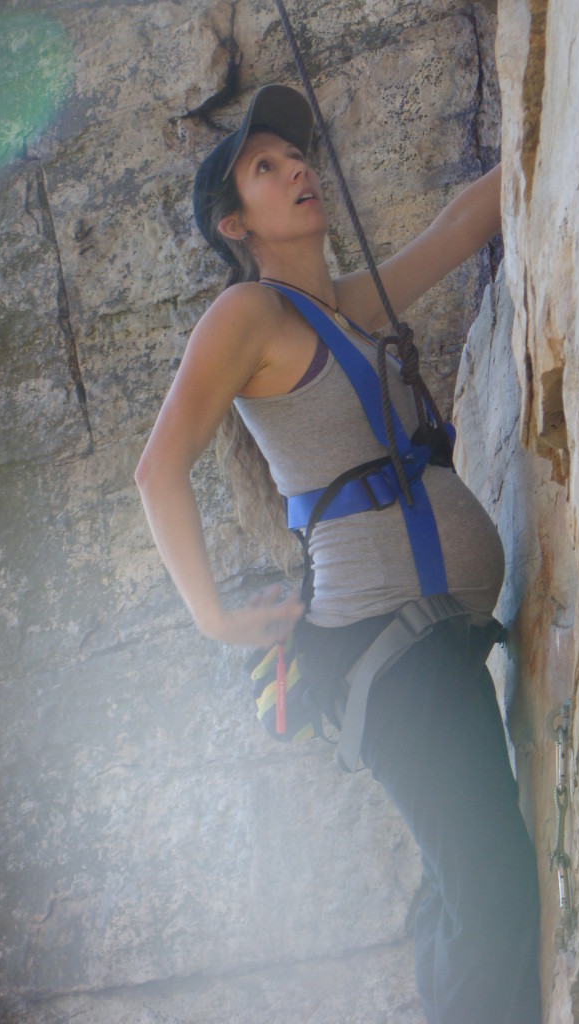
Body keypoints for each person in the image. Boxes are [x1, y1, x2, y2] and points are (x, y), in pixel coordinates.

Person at [135, 83, 541, 1024]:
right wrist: (216, 618)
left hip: (433, 647)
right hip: (387, 657)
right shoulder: (245, 317)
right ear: (237, 223)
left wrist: (544, 111)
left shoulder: (347, 307)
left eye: (296, 155)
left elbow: (456, 223)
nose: (297, 170)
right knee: (493, 892)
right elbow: (158, 471)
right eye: (265, 169)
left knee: (470, 884)